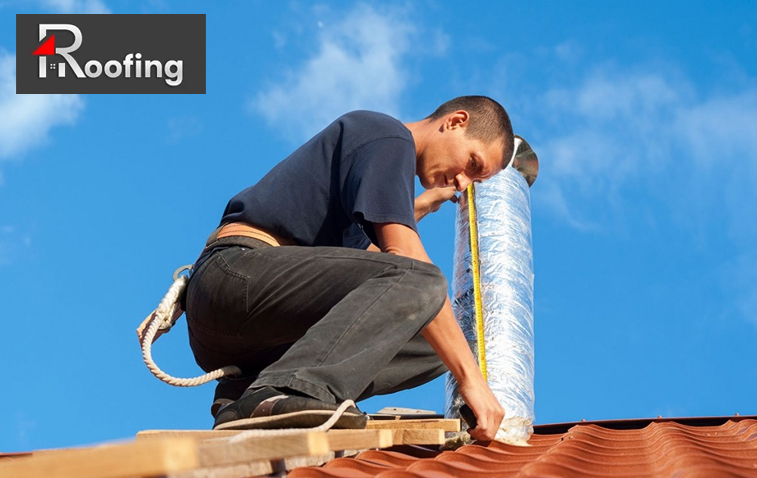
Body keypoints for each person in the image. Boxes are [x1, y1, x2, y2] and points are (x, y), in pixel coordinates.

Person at [184, 95, 514, 441]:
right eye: (472, 164)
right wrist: (471, 378)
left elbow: (375, 282)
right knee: (425, 285)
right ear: (456, 121)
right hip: (235, 276)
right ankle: (297, 389)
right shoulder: (387, 136)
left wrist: (417, 208)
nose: (462, 182)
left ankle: (251, 393)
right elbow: (404, 260)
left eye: (474, 180)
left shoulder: (377, 174)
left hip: (254, 336)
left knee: (434, 344)